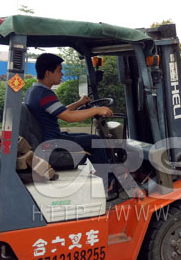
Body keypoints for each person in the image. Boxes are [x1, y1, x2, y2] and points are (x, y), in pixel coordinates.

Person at [25, 53, 114, 184]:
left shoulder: (34, 91)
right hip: (52, 142)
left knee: (88, 137)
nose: (62, 74)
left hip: (49, 139)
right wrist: (97, 110)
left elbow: (60, 111)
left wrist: (79, 103)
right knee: (96, 141)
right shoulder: (44, 94)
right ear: (48, 73)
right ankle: (108, 182)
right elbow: (69, 117)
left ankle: (101, 172)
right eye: (59, 70)